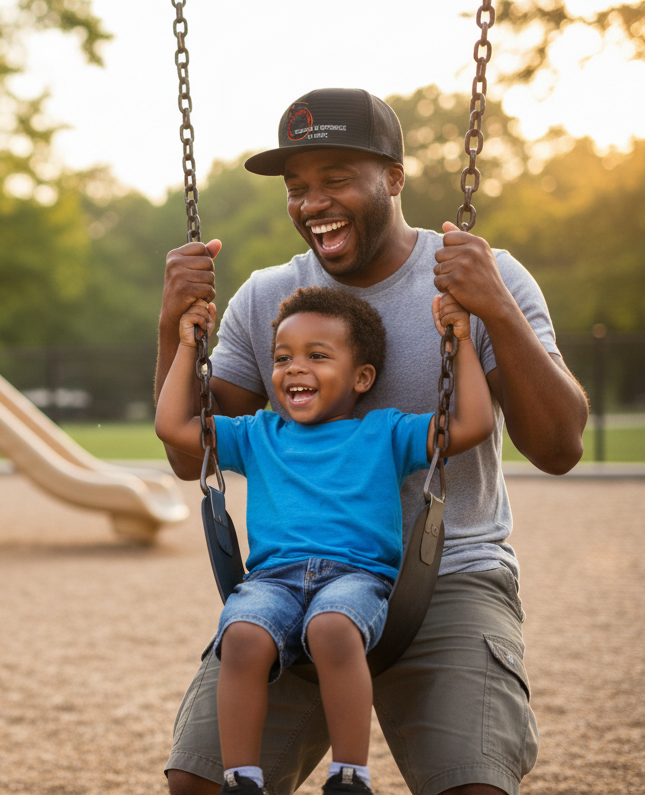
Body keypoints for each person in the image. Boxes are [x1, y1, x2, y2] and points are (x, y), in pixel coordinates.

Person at [156, 88, 589, 795]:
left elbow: (560, 447)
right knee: (199, 779)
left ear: (393, 177)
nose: (311, 202)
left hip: (450, 571)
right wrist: (172, 323)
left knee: (471, 786)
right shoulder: (269, 300)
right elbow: (187, 454)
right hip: (295, 580)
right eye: (298, 188)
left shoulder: (482, 276)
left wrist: (494, 309)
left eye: (335, 179)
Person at [156, 286, 495, 795]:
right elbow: (172, 426)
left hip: (356, 577)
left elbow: (471, 424)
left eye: (317, 356)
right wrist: (186, 345)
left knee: (333, 628)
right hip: (273, 580)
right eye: (282, 358)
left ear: (362, 378)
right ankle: (241, 780)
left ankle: (350, 775)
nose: (294, 368)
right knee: (242, 637)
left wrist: (463, 341)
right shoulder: (256, 434)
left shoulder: (384, 432)